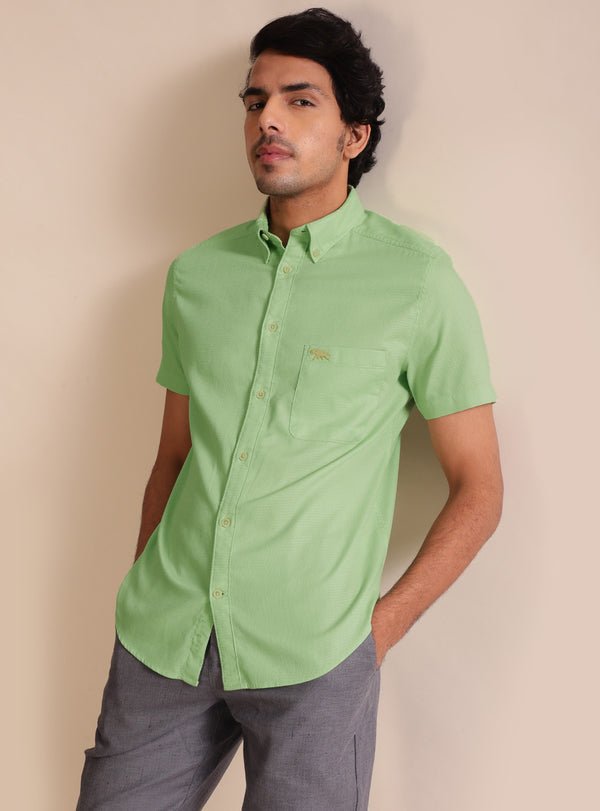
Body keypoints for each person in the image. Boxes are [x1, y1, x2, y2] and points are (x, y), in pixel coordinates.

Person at [77, 7, 503, 810]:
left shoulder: (418, 282)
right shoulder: (196, 276)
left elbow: (479, 488)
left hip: (316, 660)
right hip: (165, 642)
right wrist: (143, 585)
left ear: (354, 135)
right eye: (255, 101)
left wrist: (376, 633)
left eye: (300, 100)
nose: (267, 119)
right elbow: (174, 455)